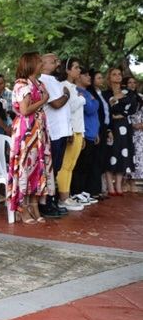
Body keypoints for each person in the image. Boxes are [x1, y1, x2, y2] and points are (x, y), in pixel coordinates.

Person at [7, 52, 54, 224]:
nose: (42, 64)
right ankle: (22, 206)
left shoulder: (39, 83)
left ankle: (34, 204)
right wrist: (44, 101)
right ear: (31, 64)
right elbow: (25, 110)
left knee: (37, 166)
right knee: (26, 166)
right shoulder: (22, 84)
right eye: (39, 61)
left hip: (39, 129)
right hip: (26, 130)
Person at [38, 53, 71, 217]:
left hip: (62, 131)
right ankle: (46, 203)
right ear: (43, 64)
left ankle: (52, 200)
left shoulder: (56, 81)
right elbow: (57, 104)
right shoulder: (43, 81)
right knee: (50, 169)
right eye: (53, 61)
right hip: (53, 132)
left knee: (56, 168)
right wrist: (67, 95)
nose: (57, 63)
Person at [55, 58, 86, 211]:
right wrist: (81, 99)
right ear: (67, 70)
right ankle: (63, 198)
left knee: (71, 165)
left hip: (79, 129)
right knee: (65, 166)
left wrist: (83, 133)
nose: (78, 70)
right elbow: (68, 109)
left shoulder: (74, 87)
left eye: (79, 68)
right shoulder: (63, 86)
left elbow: (79, 114)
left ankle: (66, 195)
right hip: (71, 130)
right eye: (76, 67)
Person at [103, 68, 138, 195]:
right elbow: (104, 110)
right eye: (114, 74)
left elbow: (134, 108)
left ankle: (118, 185)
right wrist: (113, 101)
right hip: (112, 126)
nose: (117, 76)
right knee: (111, 154)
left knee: (124, 154)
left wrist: (122, 113)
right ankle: (109, 186)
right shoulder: (105, 93)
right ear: (109, 77)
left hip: (125, 126)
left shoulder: (128, 92)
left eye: (119, 74)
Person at [71, 67, 100, 202]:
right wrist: (93, 101)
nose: (89, 77)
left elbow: (94, 110)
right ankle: (75, 192)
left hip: (92, 133)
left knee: (87, 166)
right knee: (79, 166)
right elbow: (90, 108)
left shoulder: (87, 93)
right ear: (78, 77)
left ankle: (82, 191)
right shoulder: (77, 91)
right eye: (86, 75)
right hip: (84, 133)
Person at [88, 70, 111, 198]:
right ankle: (94, 190)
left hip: (104, 128)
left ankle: (97, 189)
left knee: (101, 159)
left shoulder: (101, 94)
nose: (101, 80)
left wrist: (108, 129)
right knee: (95, 160)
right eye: (98, 78)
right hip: (96, 128)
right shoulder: (91, 93)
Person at [125, 77, 143, 183]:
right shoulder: (123, 97)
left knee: (139, 156)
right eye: (129, 82)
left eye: (134, 82)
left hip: (140, 133)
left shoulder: (141, 97)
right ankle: (126, 182)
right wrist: (132, 125)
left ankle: (134, 182)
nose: (132, 84)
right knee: (128, 155)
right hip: (127, 131)